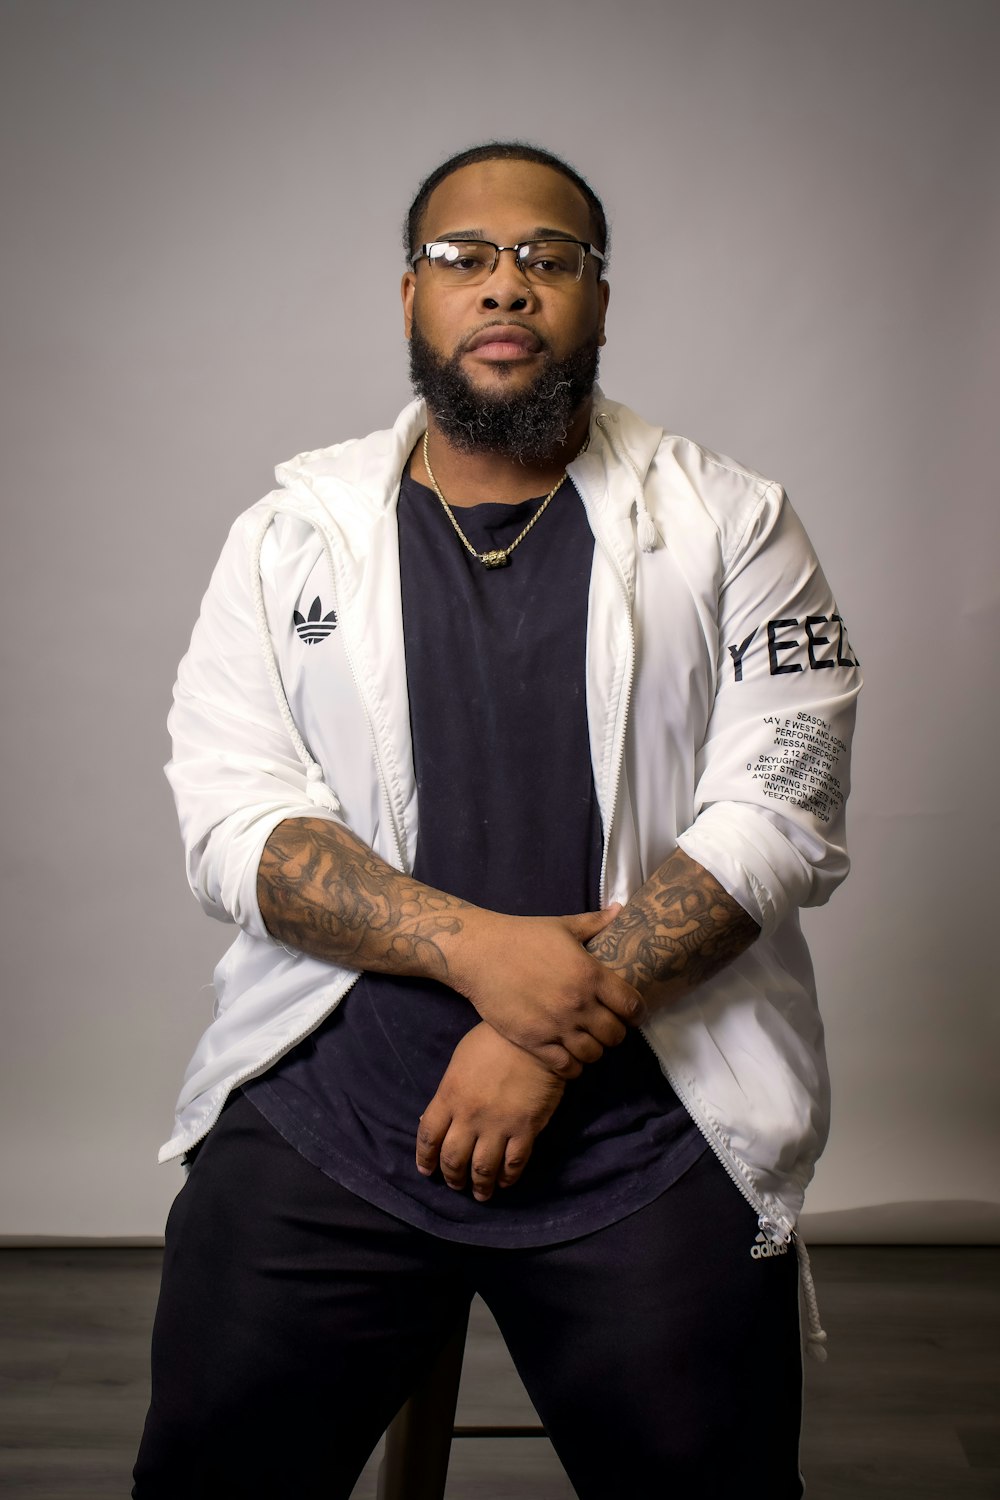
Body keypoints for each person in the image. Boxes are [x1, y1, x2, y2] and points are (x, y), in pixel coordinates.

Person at [133, 142, 861, 1499]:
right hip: (332, 1105)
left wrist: (548, 1030)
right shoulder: (288, 536)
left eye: (548, 257)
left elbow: (785, 801)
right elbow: (235, 822)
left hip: (649, 1117)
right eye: (465, 259)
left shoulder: (732, 520)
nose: (505, 286)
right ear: (409, 295)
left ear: (597, 300)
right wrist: (478, 953)